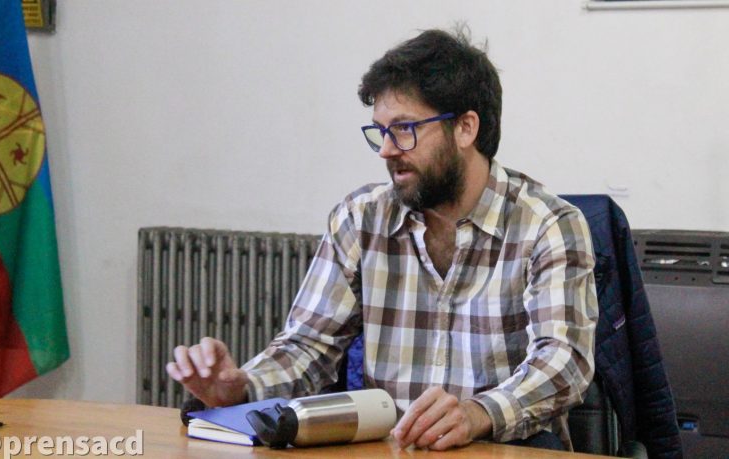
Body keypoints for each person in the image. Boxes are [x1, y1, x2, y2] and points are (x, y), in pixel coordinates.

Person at [167, 26, 598, 452]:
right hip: (388, 449)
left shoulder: (548, 225)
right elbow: (309, 346)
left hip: (504, 446)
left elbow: (564, 363)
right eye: (381, 131)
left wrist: (477, 414)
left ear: (466, 128)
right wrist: (242, 387)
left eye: (404, 129)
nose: (387, 150)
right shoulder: (361, 219)